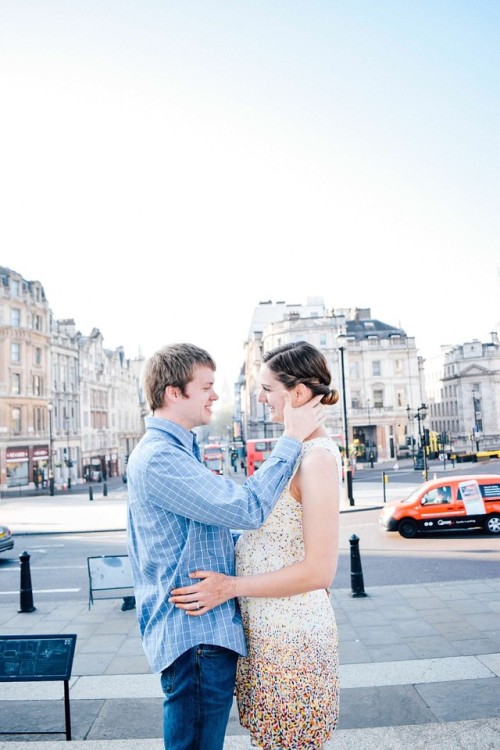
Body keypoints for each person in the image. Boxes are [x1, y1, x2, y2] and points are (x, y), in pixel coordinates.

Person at [126, 343, 324, 750]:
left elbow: (218, 533)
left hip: (201, 636)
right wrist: (291, 437)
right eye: (206, 387)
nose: (215, 396)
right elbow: (247, 509)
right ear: (173, 393)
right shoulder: (161, 458)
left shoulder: (178, 452)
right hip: (196, 636)